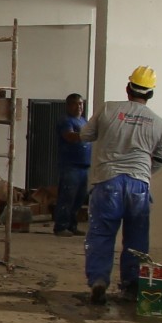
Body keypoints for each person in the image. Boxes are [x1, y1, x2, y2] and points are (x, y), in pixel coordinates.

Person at [82, 66, 162, 305]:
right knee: (136, 237)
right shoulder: (159, 123)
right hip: (138, 187)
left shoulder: (109, 108)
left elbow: (85, 135)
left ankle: (99, 280)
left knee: (101, 234)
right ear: (151, 93)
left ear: (128, 87)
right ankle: (132, 285)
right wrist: (143, 174)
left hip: (107, 182)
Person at [53, 92, 91, 236]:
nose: (79, 106)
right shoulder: (66, 121)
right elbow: (69, 136)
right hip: (70, 165)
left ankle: (72, 225)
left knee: (79, 198)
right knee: (67, 196)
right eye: (76, 103)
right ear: (69, 105)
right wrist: (85, 135)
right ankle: (61, 226)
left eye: (81, 103)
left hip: (83, 165)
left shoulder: (83, 121)